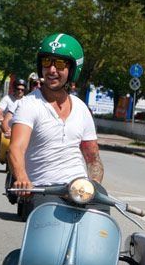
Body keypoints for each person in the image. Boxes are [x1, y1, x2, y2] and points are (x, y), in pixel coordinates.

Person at [8, 33, 104, 202]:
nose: (52, 70)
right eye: (46, 62)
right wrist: (22, 177)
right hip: (43, 191)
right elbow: (16, 148)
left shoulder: (81, 109)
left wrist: (93, 186)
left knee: (102, 224)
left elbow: (93, 159)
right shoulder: (29, 105)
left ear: (72, 70)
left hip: (78, 192)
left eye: (59, 64)